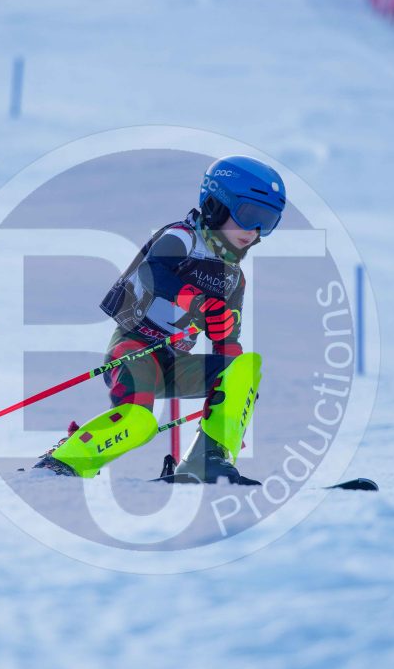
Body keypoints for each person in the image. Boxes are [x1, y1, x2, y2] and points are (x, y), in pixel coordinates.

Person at [35, 156, 286, 484]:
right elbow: (152, 270)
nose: (254, 231)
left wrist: (238, 394)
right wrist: (192, 299)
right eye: (250, 215)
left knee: (244, 367)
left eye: (267, 222)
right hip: (134, 350)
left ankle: (207, 459)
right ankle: (64, 461)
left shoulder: (233, 278)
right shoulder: (182, 238)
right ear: (216, 204)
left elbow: (228, 343)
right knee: (139, 423)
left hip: (174, 363)